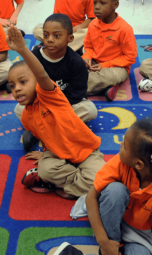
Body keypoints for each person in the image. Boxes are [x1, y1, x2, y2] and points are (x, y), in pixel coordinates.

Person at [7, 25, 105, 199]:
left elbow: (43, 75)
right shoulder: (26, 117)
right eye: (13, 86)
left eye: (23, 82)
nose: (17, 89)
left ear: (36, 81)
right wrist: (45, 154)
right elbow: (46, 135)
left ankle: (60, 186)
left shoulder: (48, 95)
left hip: (85, 151)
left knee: (101, 182)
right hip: (58, 155)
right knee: (46, 169)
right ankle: (69, 184)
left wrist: (22, 49)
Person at [85, 119, 152, 255]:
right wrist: (104, 242)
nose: (120, 144)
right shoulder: (121, 162)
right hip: (112, 219)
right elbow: (91, 198)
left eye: (124, 145)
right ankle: (112, 245)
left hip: (140, 233)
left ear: (139, 164)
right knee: (115, 190)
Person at [14, 13, 97, 152]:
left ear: (70, 39)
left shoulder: (77, 62)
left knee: (90, 110)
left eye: (56, 36)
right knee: (18, 109)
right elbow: (28, 85)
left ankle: (38, 130)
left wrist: (55, 107)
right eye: (46, 35)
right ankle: (60, 128)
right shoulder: (35, 56)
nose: (50, 40)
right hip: (41, 104)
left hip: (64, 105)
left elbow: (77, 93)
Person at [83, 0, 137, 101]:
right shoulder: (93, 25)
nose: (96, 7)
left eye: (102, 3)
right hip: (95, 61)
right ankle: (104, 88)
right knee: (76, 63)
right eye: (95, 2)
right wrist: (87, 56)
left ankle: (75, 88)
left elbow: (130, 58)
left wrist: (104, 65)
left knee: (110, 76)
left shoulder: (125, 29)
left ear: (115, 5)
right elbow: (88, 46)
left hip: (117, 67)